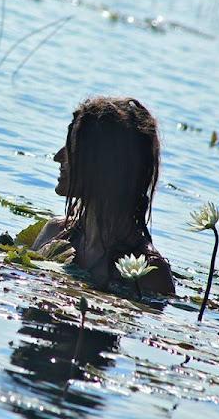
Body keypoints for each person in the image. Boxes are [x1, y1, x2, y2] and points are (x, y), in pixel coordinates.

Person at [32, 97, 175, 294]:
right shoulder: (53, 234)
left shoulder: (149, 274)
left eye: (73, 146)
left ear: (103, 165)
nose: (58, 156)